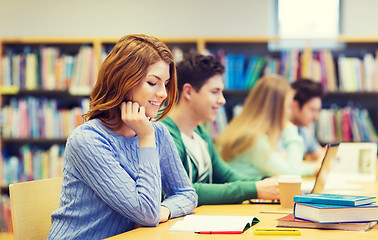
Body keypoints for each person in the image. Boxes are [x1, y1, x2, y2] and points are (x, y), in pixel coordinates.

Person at [48, 34, 197, 240]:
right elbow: (145, 213)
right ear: (124, 82)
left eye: (166, 83)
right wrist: (145, 137)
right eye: (153, 83)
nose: (163, 93)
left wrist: (164, 210)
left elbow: (187, 193)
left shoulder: (158, 132)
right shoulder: (87, 140)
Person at [161, 53, 279, 206]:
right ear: (188, 92)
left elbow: (225, 176)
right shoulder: (164, 134)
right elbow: (183, 190)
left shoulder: (200, 134)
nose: (222, 100)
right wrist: (255, 189)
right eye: (214, 92)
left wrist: (266, 182)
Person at [216, 74, 315, 178]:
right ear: (277, 109)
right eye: (289, 106)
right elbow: (291, 173)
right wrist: (290, 129)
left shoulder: (247, 132)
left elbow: (283, 167)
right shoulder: (252, 139)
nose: (290, 112)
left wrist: (313, 169)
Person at [289, 79, 325, 160]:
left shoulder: (304, 132)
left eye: (318, 111)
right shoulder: (276, 131)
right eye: (312, 110)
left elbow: (323, 156)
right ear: (295, 105)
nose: (316, 117)